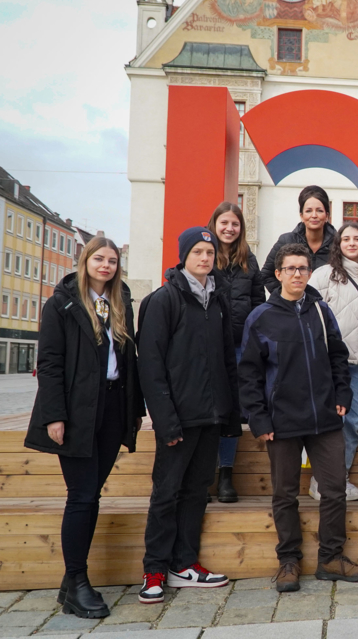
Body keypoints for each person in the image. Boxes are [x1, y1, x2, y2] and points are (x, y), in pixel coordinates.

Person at [239, 243, 358, 592]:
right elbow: (249, 374)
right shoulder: (261, 317)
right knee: (284, 495)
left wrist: (343, 394)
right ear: (278, 274)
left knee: (334, 490)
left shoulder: (321, 311)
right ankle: (288, 561)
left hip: (325, 419)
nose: (297, 274)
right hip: (281, 423)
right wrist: (259, 419)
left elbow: (338, 356)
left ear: (310, 273)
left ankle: (331, 558)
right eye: (290, 269)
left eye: (303, 268)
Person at [25, 238, 144, 619]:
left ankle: (69, 582)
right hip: (77, 412)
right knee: (81, 496)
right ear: (85, 260)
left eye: (112, 260)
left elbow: (129, 361)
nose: (106, 265)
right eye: (99, 258)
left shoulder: (119, 302)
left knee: (91, 493)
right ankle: (77, 581)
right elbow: (51, 361)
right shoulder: (62, 302)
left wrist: (135, 411)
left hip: (111, 409)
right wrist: (54, 415)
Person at [137, 227, 241, 604]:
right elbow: (150, 365)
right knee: (166, 494)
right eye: (197, 251)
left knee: (197, 491)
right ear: (184, 256)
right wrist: (164, 420)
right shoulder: (163, 300)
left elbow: (228, 360)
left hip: (211, 418)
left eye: (210, 252)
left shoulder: (217, 300)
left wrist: (230, 414)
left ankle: (183, 565)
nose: (205, 257)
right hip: (177, 420)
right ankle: (154, 569)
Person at [309, 223, 358, 502]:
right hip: (331, 361)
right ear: (338, 243)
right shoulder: (324, 275)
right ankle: (321, 481)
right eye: (347, 239)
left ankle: (339, 478)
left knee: (353, 421)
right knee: (329, 421)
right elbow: (306, 310)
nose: (352, 243)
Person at [208, 202, 265, 503]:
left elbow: (258, 303)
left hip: (241, 346)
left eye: (235, 224)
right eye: (224, 223)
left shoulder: (248, 260)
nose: (229, 229)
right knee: (208, 409)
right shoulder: (204, 254)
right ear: (214, 224)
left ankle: (226, 476)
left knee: (232, 410)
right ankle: (204, 475)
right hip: (209, 345)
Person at [260, 185, 337, 293]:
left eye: (319, 211)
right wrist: (286, 297)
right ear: (301, 215)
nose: (314, 215)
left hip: (327, 307)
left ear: (327, 215)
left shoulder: (339, 244)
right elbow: (266, 274)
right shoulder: (286, 241)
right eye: (308, 211)